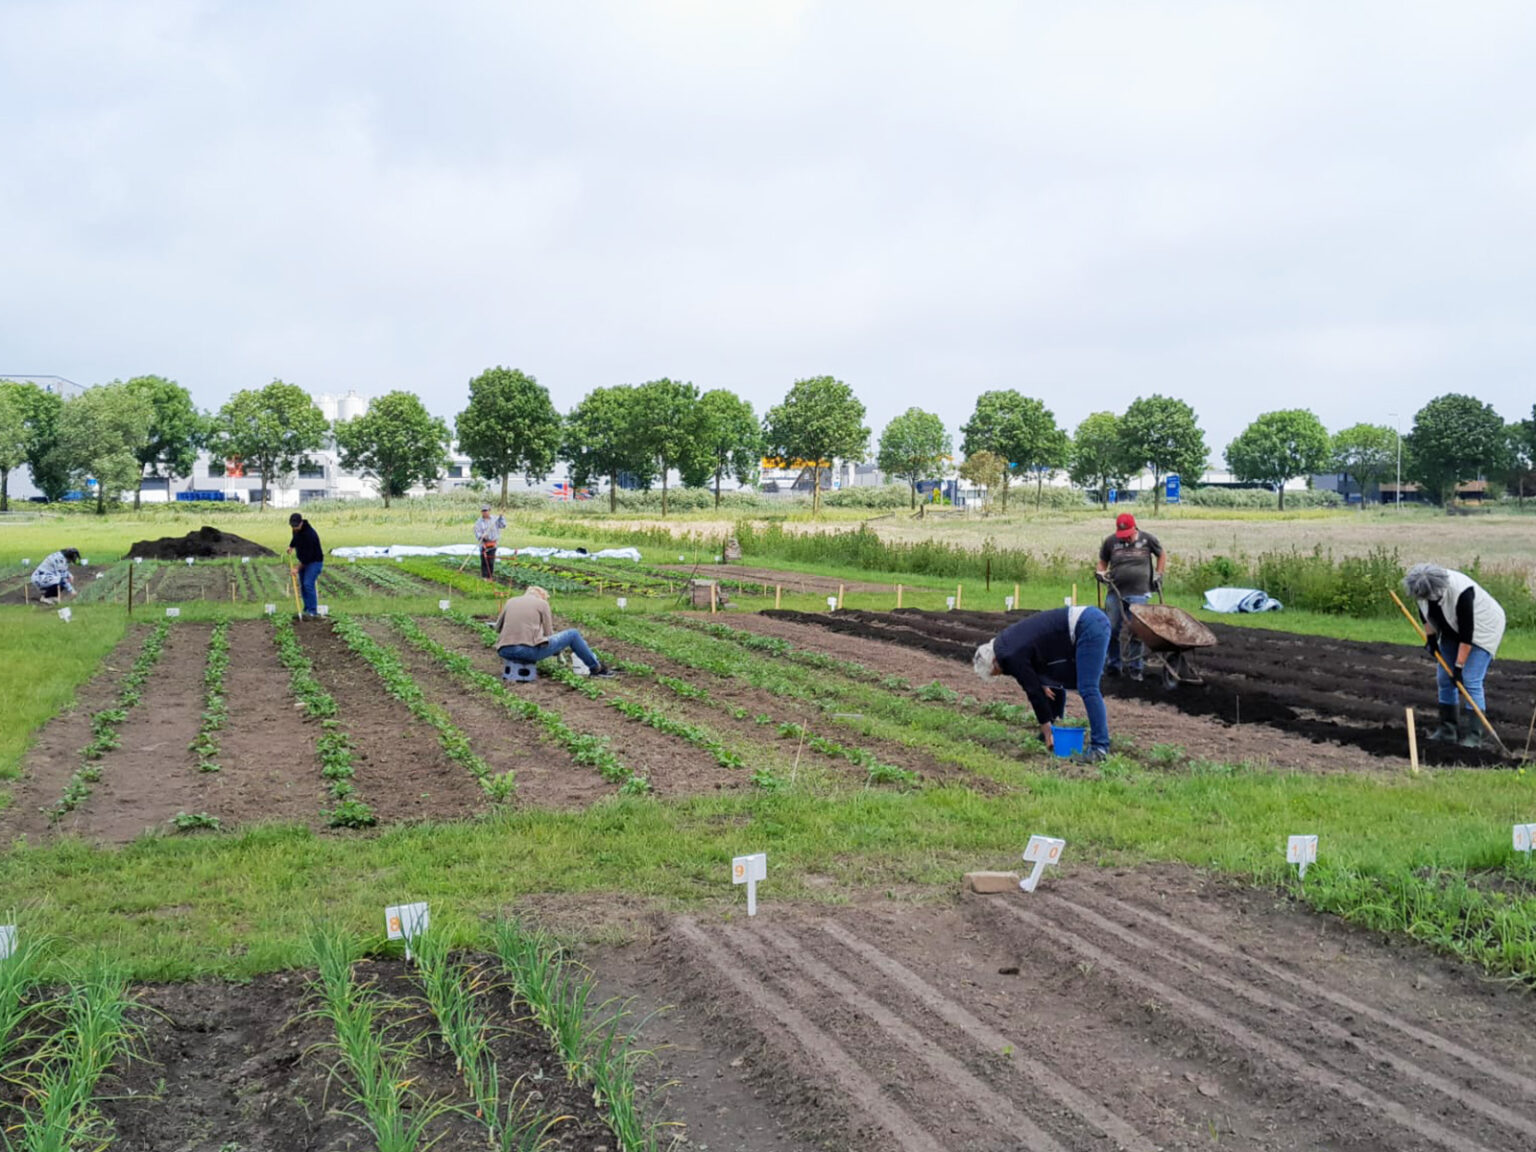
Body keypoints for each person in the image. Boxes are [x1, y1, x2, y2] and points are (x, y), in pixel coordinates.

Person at [973, 605, 1112, 762]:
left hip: (1087, 625)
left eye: (996, 673)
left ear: (994, 662)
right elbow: (1035, 670)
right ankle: (1056, 729)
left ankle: (1099, 747)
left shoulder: (1009, 655)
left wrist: (1045, 728)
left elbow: (1034, 692)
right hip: (1086, 622)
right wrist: (1042, 683)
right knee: (1052, 683)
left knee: (1088, 687)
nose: (1001, 674)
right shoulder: (1005, 645)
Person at [1404, 563, 1505, 748]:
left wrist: (1458, 668)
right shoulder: (1421, 588)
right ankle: (1447, 730)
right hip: (1450, 628)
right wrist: (1431, 639)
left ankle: (1475, 736)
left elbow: (1467, 636)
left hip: (1483, 629)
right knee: (1444, 678)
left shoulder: (1462, 593)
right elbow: (1424, 614)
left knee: (1470, 679)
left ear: (1437, 589)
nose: (1423, 598)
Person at [1096, 511, 1166, 681]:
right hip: (1115, 591)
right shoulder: (1111, 541)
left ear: (1134, 528)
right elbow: (1102, 561)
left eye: (1127, 535)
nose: (1125, 539)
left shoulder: (1147, 539)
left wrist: (1158, 573)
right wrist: (1100, 572)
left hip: (1139, 592)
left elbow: (1161, 554)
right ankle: (1113, 665)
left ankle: (1136, 669)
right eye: (1122, 536)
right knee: (1111, 629)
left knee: (1136, 631)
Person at [494, 586, 615, 677]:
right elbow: (549, 634)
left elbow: (497, 627)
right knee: (573, 634)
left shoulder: (511, 601)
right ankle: (596, 668)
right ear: (542, 596)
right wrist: (558, 653)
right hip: (527, 651)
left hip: (504, 650)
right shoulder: (542, 604)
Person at [286, 512, 324, 619]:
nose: (294, 528)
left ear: (301, 523)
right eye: (293, 526)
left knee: (308, 584)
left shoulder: (309, 535)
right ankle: (306, 609)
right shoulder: (296, 529)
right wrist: (291, 546)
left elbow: (308, 557)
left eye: (296, 526)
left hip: (314, 561)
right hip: (304, 560)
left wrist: (297, 568)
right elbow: (296, 538)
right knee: (303, 585)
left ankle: (313, 611)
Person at [474, 504, 507, 579]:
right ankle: (484, 577)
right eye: (483, 511)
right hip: (484, 543)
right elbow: (476, 531)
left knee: (491, 561)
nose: (485, 512)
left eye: (486, 510)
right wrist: (481, 536)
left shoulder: (495, 519)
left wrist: (501, 517)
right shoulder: (479, 522)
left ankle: (490, 577)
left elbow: (503, 525)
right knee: (484, 560)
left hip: (493, 543)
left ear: (489, 511)